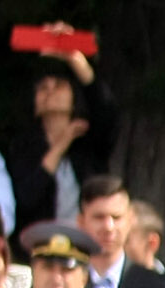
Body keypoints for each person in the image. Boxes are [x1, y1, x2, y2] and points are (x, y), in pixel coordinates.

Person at [10, 38, 116, 232]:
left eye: (58, 85)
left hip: (88, 244)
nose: (50, 92)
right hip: (40, 244)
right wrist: (61, 144)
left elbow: (105, 109)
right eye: (43, 88)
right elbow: (27, 198)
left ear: (74, 97)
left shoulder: (89, 140)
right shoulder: (23, 145)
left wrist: (76, 60)